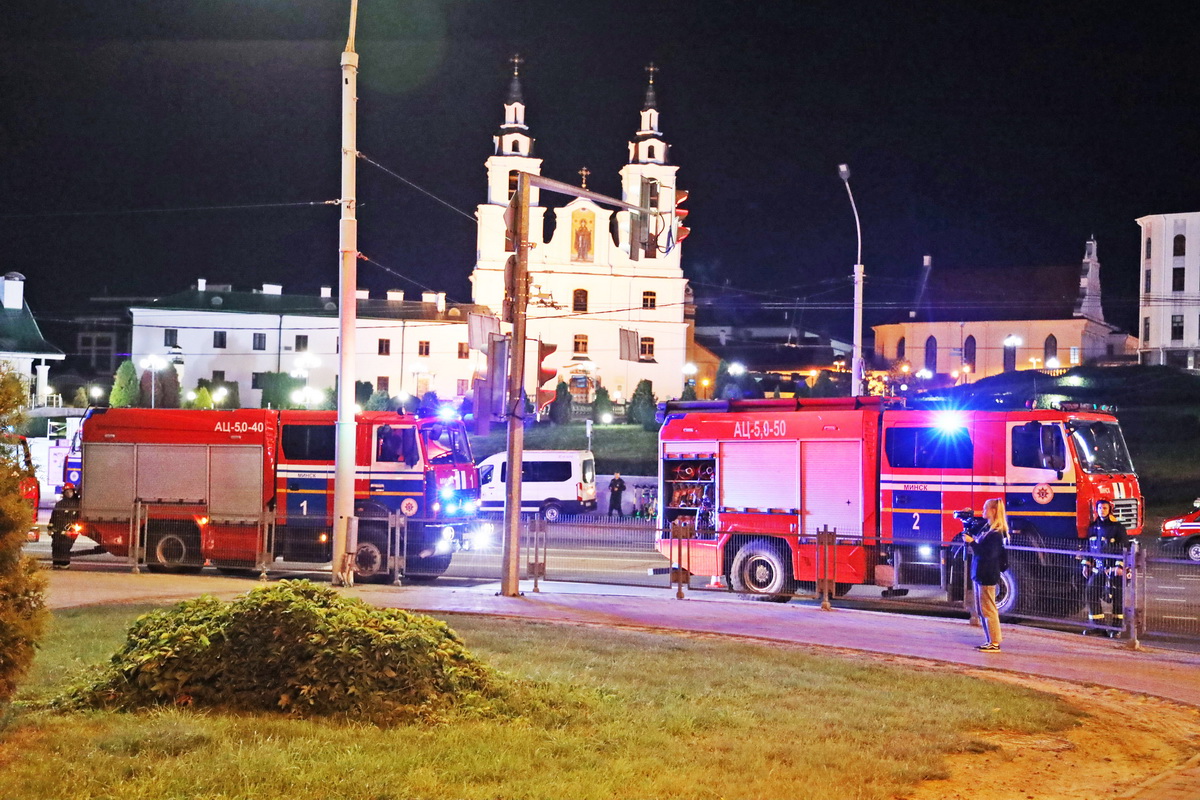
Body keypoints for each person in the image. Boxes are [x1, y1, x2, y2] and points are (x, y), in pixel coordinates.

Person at [963, 497, 1009, 652]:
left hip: (987, 575)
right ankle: (990, 640)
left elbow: (987, 554)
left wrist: (972, 542)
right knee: (983, 610)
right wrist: (968, 520)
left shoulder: (996, 534)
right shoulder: (988, 529)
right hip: (981, 574)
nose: (982, 511)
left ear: (993, 511)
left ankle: (995, 643)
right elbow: (974, 529)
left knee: (989, 610)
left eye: (985, 508)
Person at [1082, 499, 1130, 637]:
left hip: (1114, 569)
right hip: (1099, 568)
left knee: (1117, 598)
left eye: (1104, 508)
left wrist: (1119, 566)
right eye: (1100, 508)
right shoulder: (1093, 526)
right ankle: (1098, 626)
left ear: (1110, 510)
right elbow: (1089, 546)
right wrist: (1086, 564)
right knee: (1091, 592)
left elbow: (1123, 547)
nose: (1102, 510)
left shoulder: (1117, 527)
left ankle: (1117, 628)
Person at [49, 484, 81, 569]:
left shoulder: (78, 504)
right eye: (67, 492)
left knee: (65, 548)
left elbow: (79, 519)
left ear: (73, 492)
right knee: (55, 547)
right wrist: (50, 528)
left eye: (70, 491)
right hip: (57, 531)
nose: (68, 493)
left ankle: (64, 565)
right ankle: (56, 563)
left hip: (69, 532)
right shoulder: (59, 504)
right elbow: (53, 516)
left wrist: (72, 530)